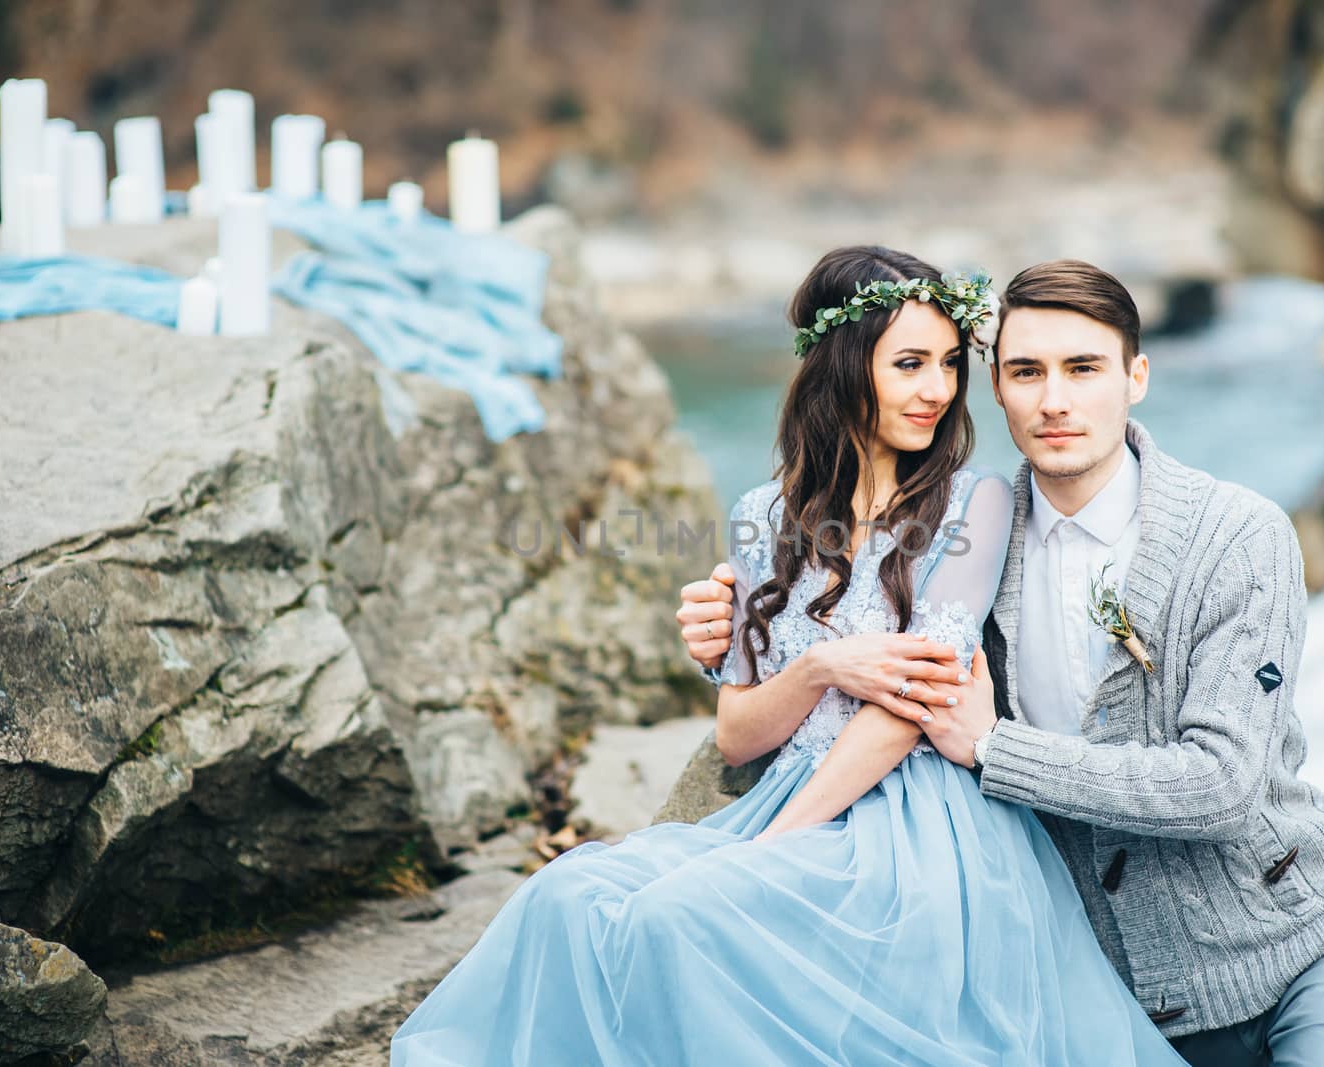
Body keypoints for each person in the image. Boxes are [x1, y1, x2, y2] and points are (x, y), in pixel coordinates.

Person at [392, 247, 1186, 1066]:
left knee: (684, 916)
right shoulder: (760, 513)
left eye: (949, 363)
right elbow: (738, 736)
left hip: (913, 821)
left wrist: (769, 850)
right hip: (782, 800)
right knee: (565, 894)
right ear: (843, 367)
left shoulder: (972, 501)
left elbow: (912, 705)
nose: (937, 390)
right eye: (909, 363)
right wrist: (817, 670)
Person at [678, 259, 1324, 1067]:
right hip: (1110, 989)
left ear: (1137, 376)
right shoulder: (968, 534)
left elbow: (1222, 784)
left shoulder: (1238, 535)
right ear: (994, 387)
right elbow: (851, 621)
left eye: (1084, 368)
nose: (1055, 400)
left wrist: (993, 748)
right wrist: (729, 627)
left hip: (1294, 947)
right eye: (1027, 371)